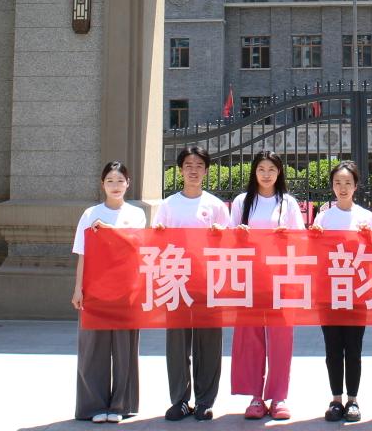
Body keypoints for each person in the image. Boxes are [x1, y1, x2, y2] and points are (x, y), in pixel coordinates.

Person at [154, 145, 230, 421]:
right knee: (177, 343)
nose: (193, 170)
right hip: (176, 281)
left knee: (208, 342)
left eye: (199, 165)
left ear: (206, 170)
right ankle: (180, 400)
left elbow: (231, 243)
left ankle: (205, 400)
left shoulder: (216, 205)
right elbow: (156, 244)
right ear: (180, 170)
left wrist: (222, 235)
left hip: (209, 281)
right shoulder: (168, 205)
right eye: (188, 165)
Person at [229, 150, 305, 421]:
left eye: (271, 169)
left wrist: (288, 238)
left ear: (279, 172)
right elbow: (229, 237)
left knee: (281, 337)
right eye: (261, 168)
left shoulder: (288, 202)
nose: (266, 174)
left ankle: (279, 395)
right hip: (250, 277)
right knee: (251, 336)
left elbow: (301, 239)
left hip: (281, 277)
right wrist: (239, 235)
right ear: (254, 172)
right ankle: (255, 396)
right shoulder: (242, 202)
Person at [72, 160, 147, 424]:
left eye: (120, 181)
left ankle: (120, 405)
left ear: (128, 184)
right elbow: (82, 254)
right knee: (93, 349)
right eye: (110, 181)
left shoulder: (136, 213)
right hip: (94, 290)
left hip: (126, 290)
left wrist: (110, 230)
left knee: (125, 350)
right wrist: (78, 289)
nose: (115, 186)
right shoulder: (90, 214)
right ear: (102, 184)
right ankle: (93, 405)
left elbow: (137, 245)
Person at [309, 160, 372, 423]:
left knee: (354, 348)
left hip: (356, 292)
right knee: (333, 348)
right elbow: (314, 253)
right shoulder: (323, 217)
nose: (343, 187)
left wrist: (370, 237)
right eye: (338, 182)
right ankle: (336, 399)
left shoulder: (366, 218)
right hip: (329, 291)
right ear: (332, 186)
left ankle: (353, 400)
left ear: (356, 186)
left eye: (348, 182)